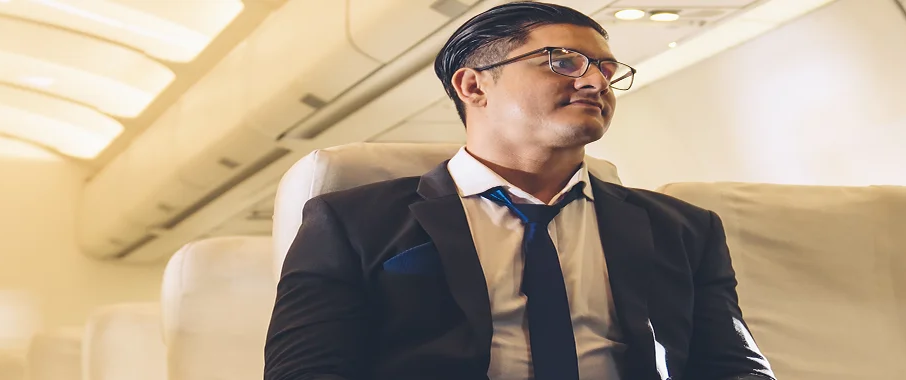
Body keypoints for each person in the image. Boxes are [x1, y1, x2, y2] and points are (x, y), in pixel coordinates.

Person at [264, 2, 775, 379]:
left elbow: (733, 367)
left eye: (606, 69)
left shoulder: (683, 229)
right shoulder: (351, 222)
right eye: (564, 61)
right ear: (474, 86)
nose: (596, 82)